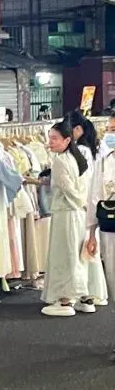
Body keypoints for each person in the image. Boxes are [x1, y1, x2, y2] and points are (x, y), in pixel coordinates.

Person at [40, 120, 90, 317]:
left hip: (67, 213)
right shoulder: (76, 157)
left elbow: (69, 189)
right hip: (77, 213)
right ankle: (82, 296)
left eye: (54, 138)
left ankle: (65, 300)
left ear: (67, 140)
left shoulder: (60, 161)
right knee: (77, 255)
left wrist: (79, 203)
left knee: (65, 255)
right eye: (50, 138)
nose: (50, 142)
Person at [67, 110, 107, 310]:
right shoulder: (96, 148)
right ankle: (93, 292)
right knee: (90, 249)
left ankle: (86, 293)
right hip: (93, 202)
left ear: (77, 129)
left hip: (82, 203)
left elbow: (80, 180)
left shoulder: (80, 151)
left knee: (82, 250)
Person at [86, 113, 115, 357]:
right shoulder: (104, 161)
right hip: (111, 231)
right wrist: (91, 233)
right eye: (110, 129)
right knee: (114, 282)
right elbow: (94, 197)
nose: (110, 133)